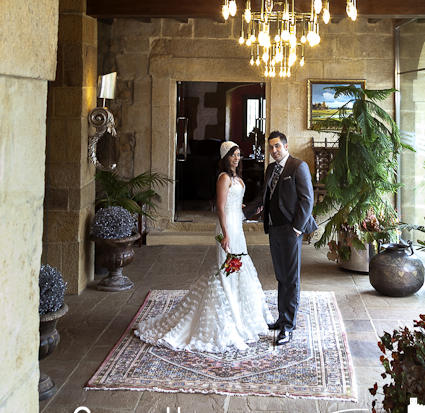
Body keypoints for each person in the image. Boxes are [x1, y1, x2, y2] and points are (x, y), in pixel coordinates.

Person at [134, 141, 272, 352]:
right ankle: (228, 311)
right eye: (233, 155)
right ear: (225, 158)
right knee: (227, 268)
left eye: (238, 155)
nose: (236, 158)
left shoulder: (236, 178)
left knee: (236, 266)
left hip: (237, 226)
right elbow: (219, 206)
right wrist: (225, 234)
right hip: (227, 229)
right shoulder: (224, 177)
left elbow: (232, 203)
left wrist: (245, 207)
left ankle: (239, 310)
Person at [263, 131, 318, 346]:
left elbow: (307, 200)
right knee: (281, 275)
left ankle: (288, 326)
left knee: (292, 278)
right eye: (271, 147)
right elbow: (266, 197)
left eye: (277, 146)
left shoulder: (298, 166)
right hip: (274, 228)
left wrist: (297, 229)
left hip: (290, 230)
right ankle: (282, 318)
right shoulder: (269, 169)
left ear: (286, 146)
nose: (274, 151)